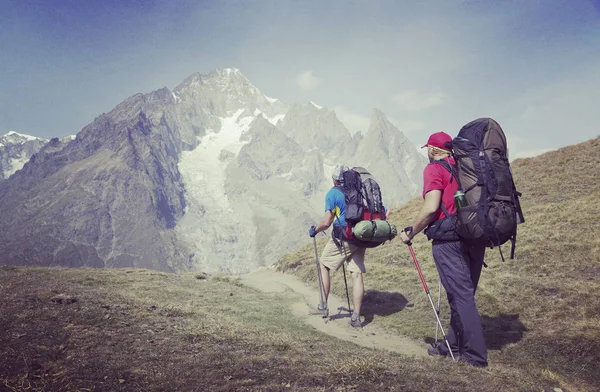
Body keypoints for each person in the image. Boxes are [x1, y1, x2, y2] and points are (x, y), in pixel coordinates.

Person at [399, 131, 488, 368]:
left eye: (427, 148)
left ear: (433, 149)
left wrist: (411, 232)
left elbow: (431, 208)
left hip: (449, 242)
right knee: (461, 295)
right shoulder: (463, 169)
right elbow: (459, 204)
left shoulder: (434, 169)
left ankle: (475, 356)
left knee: (461, 296)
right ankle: (453, 345)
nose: (427, 153)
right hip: (474, 237)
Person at [308, 165, 366, 328]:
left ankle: (323, 306)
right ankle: (355, 317)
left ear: (334, 179)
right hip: (361, 236)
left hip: (344, 237)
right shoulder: (359, 191)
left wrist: (315, 230)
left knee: (324, 264)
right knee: (356, 274)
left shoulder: (333, 193)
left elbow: (327, 222)